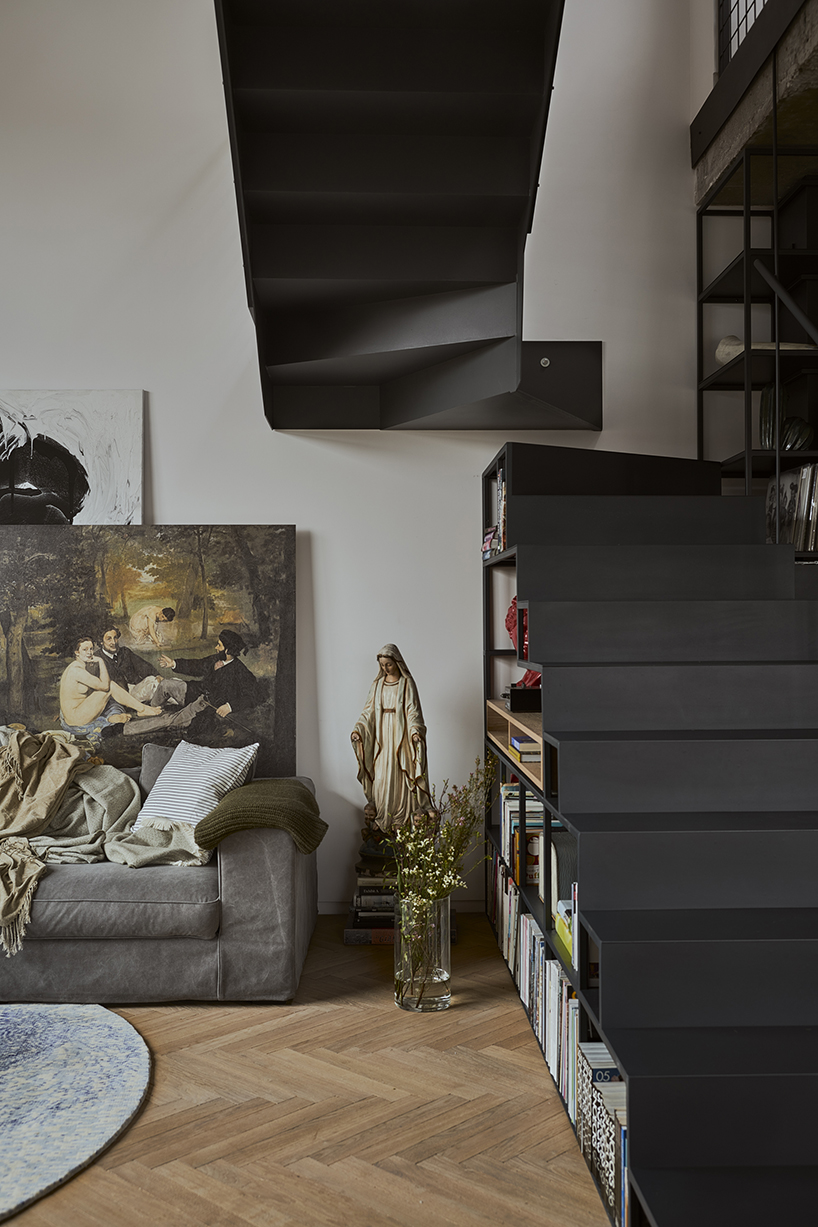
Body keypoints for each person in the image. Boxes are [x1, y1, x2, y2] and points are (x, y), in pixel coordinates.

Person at [351, 644, 432, 833]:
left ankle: (401, 822)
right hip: (382, 740)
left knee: (400, 775)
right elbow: (368, 712)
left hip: (401, 738)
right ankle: (382, 819)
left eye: (388, 664)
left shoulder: (407, 683)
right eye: (383, 665)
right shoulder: (377, 685)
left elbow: (413, 711)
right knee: (381, 777)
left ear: (397, 662)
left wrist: (415, 732)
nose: (386, 668)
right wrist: (359, 730)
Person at [59, 636, 162, 743]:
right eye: (84, 650)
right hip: (76, 717)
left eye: (91, 649)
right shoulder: (76, 670)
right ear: (77, 652)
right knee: (111, 686)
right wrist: (100, 661)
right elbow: (105, 686)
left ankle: (119, 715)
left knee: (109, 693)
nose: (89, 652)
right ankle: (142, 709)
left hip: (77, 712)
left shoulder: (78, 666)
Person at [160, 629, 259, 721]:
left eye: (219, 645)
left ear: (228, 650)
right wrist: (173, 663)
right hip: (193, 692)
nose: (216, 647)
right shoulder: (215, 659)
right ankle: (151, 709)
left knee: (168, 720)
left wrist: (230, 706)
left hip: (204, 706)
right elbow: (197, 666)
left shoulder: (240, 670)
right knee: (165, 684)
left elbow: (254, 694)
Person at [97, 626, 186, 707]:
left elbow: (143, 666)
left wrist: (157, 675)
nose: (113, 642)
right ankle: (183, 702)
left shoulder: (125, 652)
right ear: (101, 642)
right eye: (109, 639)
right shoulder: (97, 658)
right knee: (155, 684)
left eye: (115, 638)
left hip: (137, 688)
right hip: (122, 696)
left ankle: (181, 698)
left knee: (172, 681)